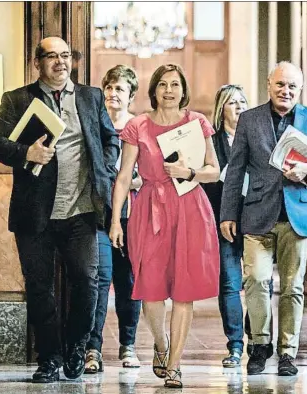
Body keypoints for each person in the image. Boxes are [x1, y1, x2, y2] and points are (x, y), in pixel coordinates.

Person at [0, 36, 119, 383]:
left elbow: (110, 138)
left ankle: (77, 347)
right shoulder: (17, 99)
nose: (60, 62)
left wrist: (103, 170)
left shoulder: (91, 97)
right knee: (39, 288)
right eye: (52, 57)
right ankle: (48, 358)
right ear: (37, 62)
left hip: (81, 210)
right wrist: (25, 153)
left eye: (65, 56)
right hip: (35, 213)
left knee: (88, 283)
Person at [220, 61, 307, 376]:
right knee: (256, 281)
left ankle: (288, 353)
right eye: (280, 85)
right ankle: (259, 345)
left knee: (293, 288)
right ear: (269, 84)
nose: (286, 91)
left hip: (297, 215)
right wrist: (228, 213)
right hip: (257, 214)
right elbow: (235, 171)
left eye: (292, 87)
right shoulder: (249, 119)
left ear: (300, 90)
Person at [109, 64, 220, 388]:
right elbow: (123, 176)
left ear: (183, 90)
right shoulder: (138, 126)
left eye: (175, 84)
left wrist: (190, 173)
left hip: (189, 208)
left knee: (184, 291)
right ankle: (161, 342)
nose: (169, 90)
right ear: (153, 90)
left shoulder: (197, 122)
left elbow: (214, 170)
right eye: (163, 84)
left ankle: (174, 365)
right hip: (149, 210)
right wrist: (116, 219)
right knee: (151, 290)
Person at [85, 65, 143, 373]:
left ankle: (128, 345)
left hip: (133, 214)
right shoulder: (93, 123)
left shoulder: (141, 128)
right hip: (98, 214)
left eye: (119, 89)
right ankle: (92, 349)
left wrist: (134, 181)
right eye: (108, 88)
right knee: (99, 278)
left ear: (131, 95)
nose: (112, 94)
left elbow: (152, 170)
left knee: (129, 281)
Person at [201, 84, 249, 367]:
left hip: (256, 220)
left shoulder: (257, 137)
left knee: (258, 284)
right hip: (222, 221)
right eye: (232, 103)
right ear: (222, 110)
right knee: (230, 284)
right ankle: (234, 345)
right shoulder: (212, 141)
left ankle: (257, 340)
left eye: (243, 101)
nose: (239, 106)